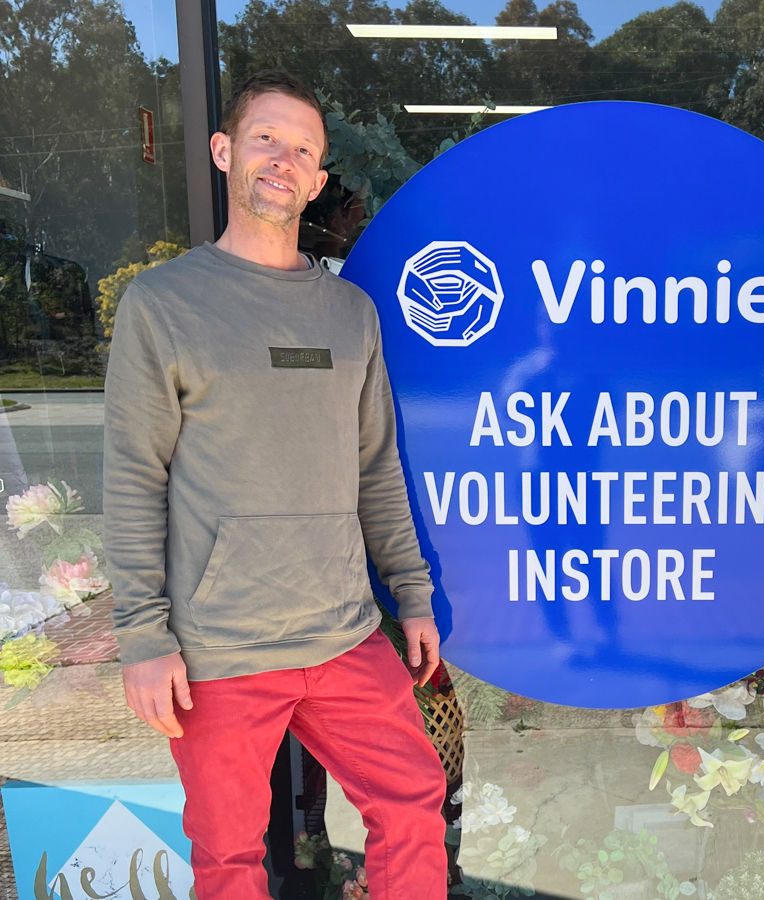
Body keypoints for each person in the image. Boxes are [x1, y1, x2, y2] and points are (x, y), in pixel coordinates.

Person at [103, 71, 447, 899]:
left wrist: (413, 595)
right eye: (266, 138)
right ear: (224, 151)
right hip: (220, 650)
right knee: (228, 855)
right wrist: (145, 639)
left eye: (303, 149)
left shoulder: (350, 314)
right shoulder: (163, 304)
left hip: (343, 635)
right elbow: (132, 477)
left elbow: (376, 468)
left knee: (413, 806)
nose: (283, 159)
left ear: (319, 179)